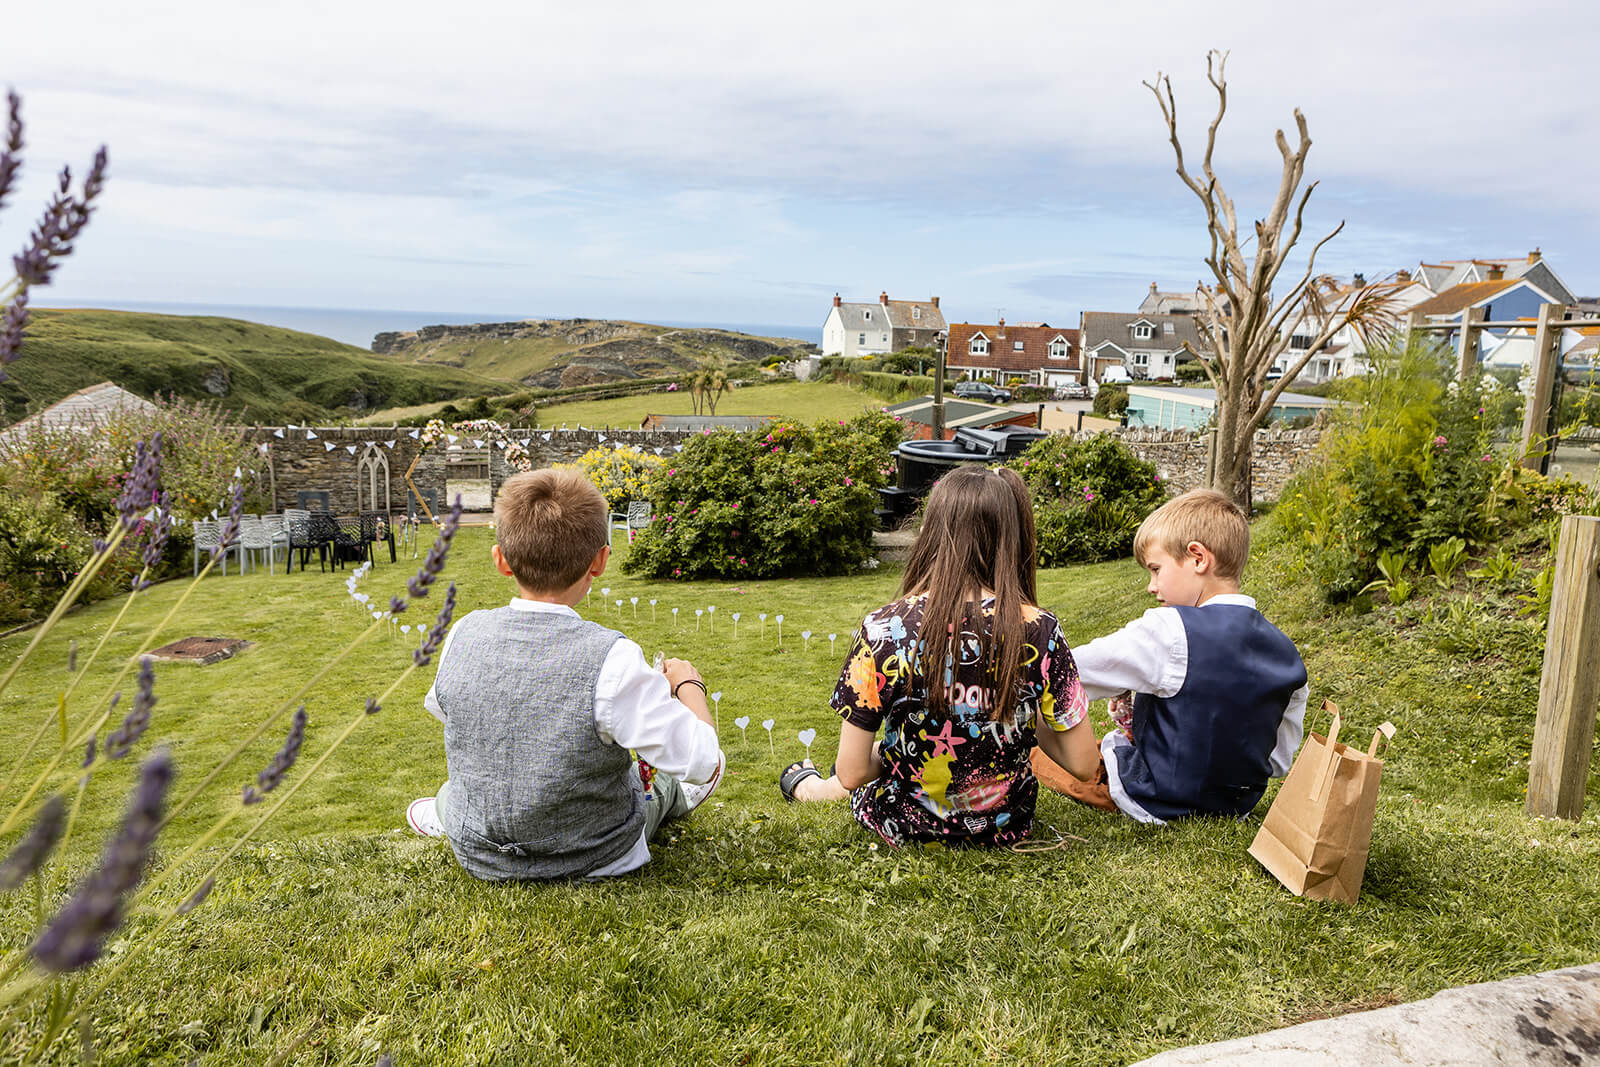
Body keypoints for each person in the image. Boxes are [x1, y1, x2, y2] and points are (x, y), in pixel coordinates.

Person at [406, 468, 724, 880]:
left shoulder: (463, 633)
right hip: (594, 851)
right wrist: (687, 686)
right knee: (657, 786)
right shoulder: (613, 658)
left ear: (501, 560)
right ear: (600, 561)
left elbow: (445, 710)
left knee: (453, 792)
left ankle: (447, 816)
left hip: (480, 850)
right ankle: (680, 798)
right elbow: (704, 761)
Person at [782, 466, 1099, 848]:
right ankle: (817, 785)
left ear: (931, 531)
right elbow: (1083, 764)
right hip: (1005, 828)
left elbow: (851, 774)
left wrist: (896, 755)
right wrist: (1024, 709)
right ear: (1011, 537)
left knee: (855, 764)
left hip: (902, 825)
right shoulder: (1041, 630)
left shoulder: (883, 629)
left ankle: (809, 788)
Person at [1033, 488, 1309, 824]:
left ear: (1198, 558)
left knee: (1038, 745)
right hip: (1237, 806)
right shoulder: (1287, 653)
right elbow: (1278, 761)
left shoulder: (1170, 630)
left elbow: (1068, 671)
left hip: (1156, 798)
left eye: (1156, 569)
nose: (1151, 586)